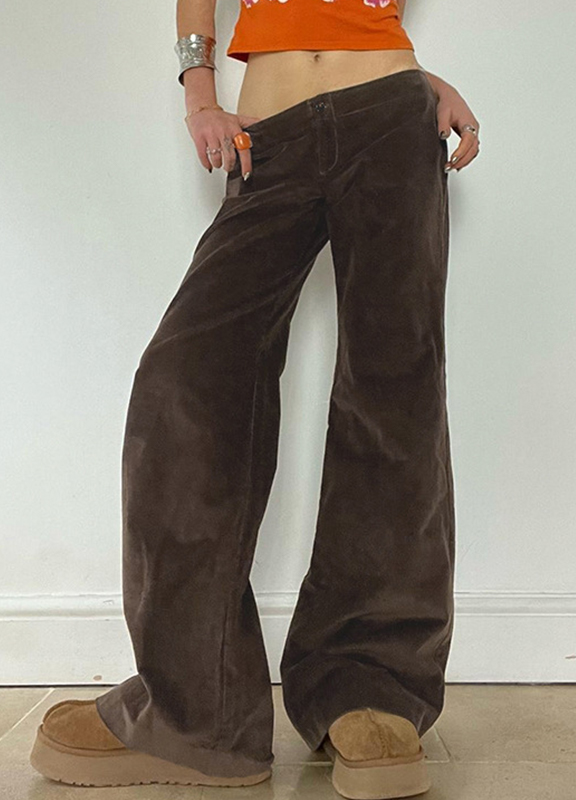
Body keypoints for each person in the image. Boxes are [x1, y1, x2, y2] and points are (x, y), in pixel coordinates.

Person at [29, 0, 480, 797]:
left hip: (389, 112)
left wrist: (416, 80)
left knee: (393, 395)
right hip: (268, 133)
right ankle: (195, 710)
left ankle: (370, 690)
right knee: (185, 382)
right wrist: (199, 93)